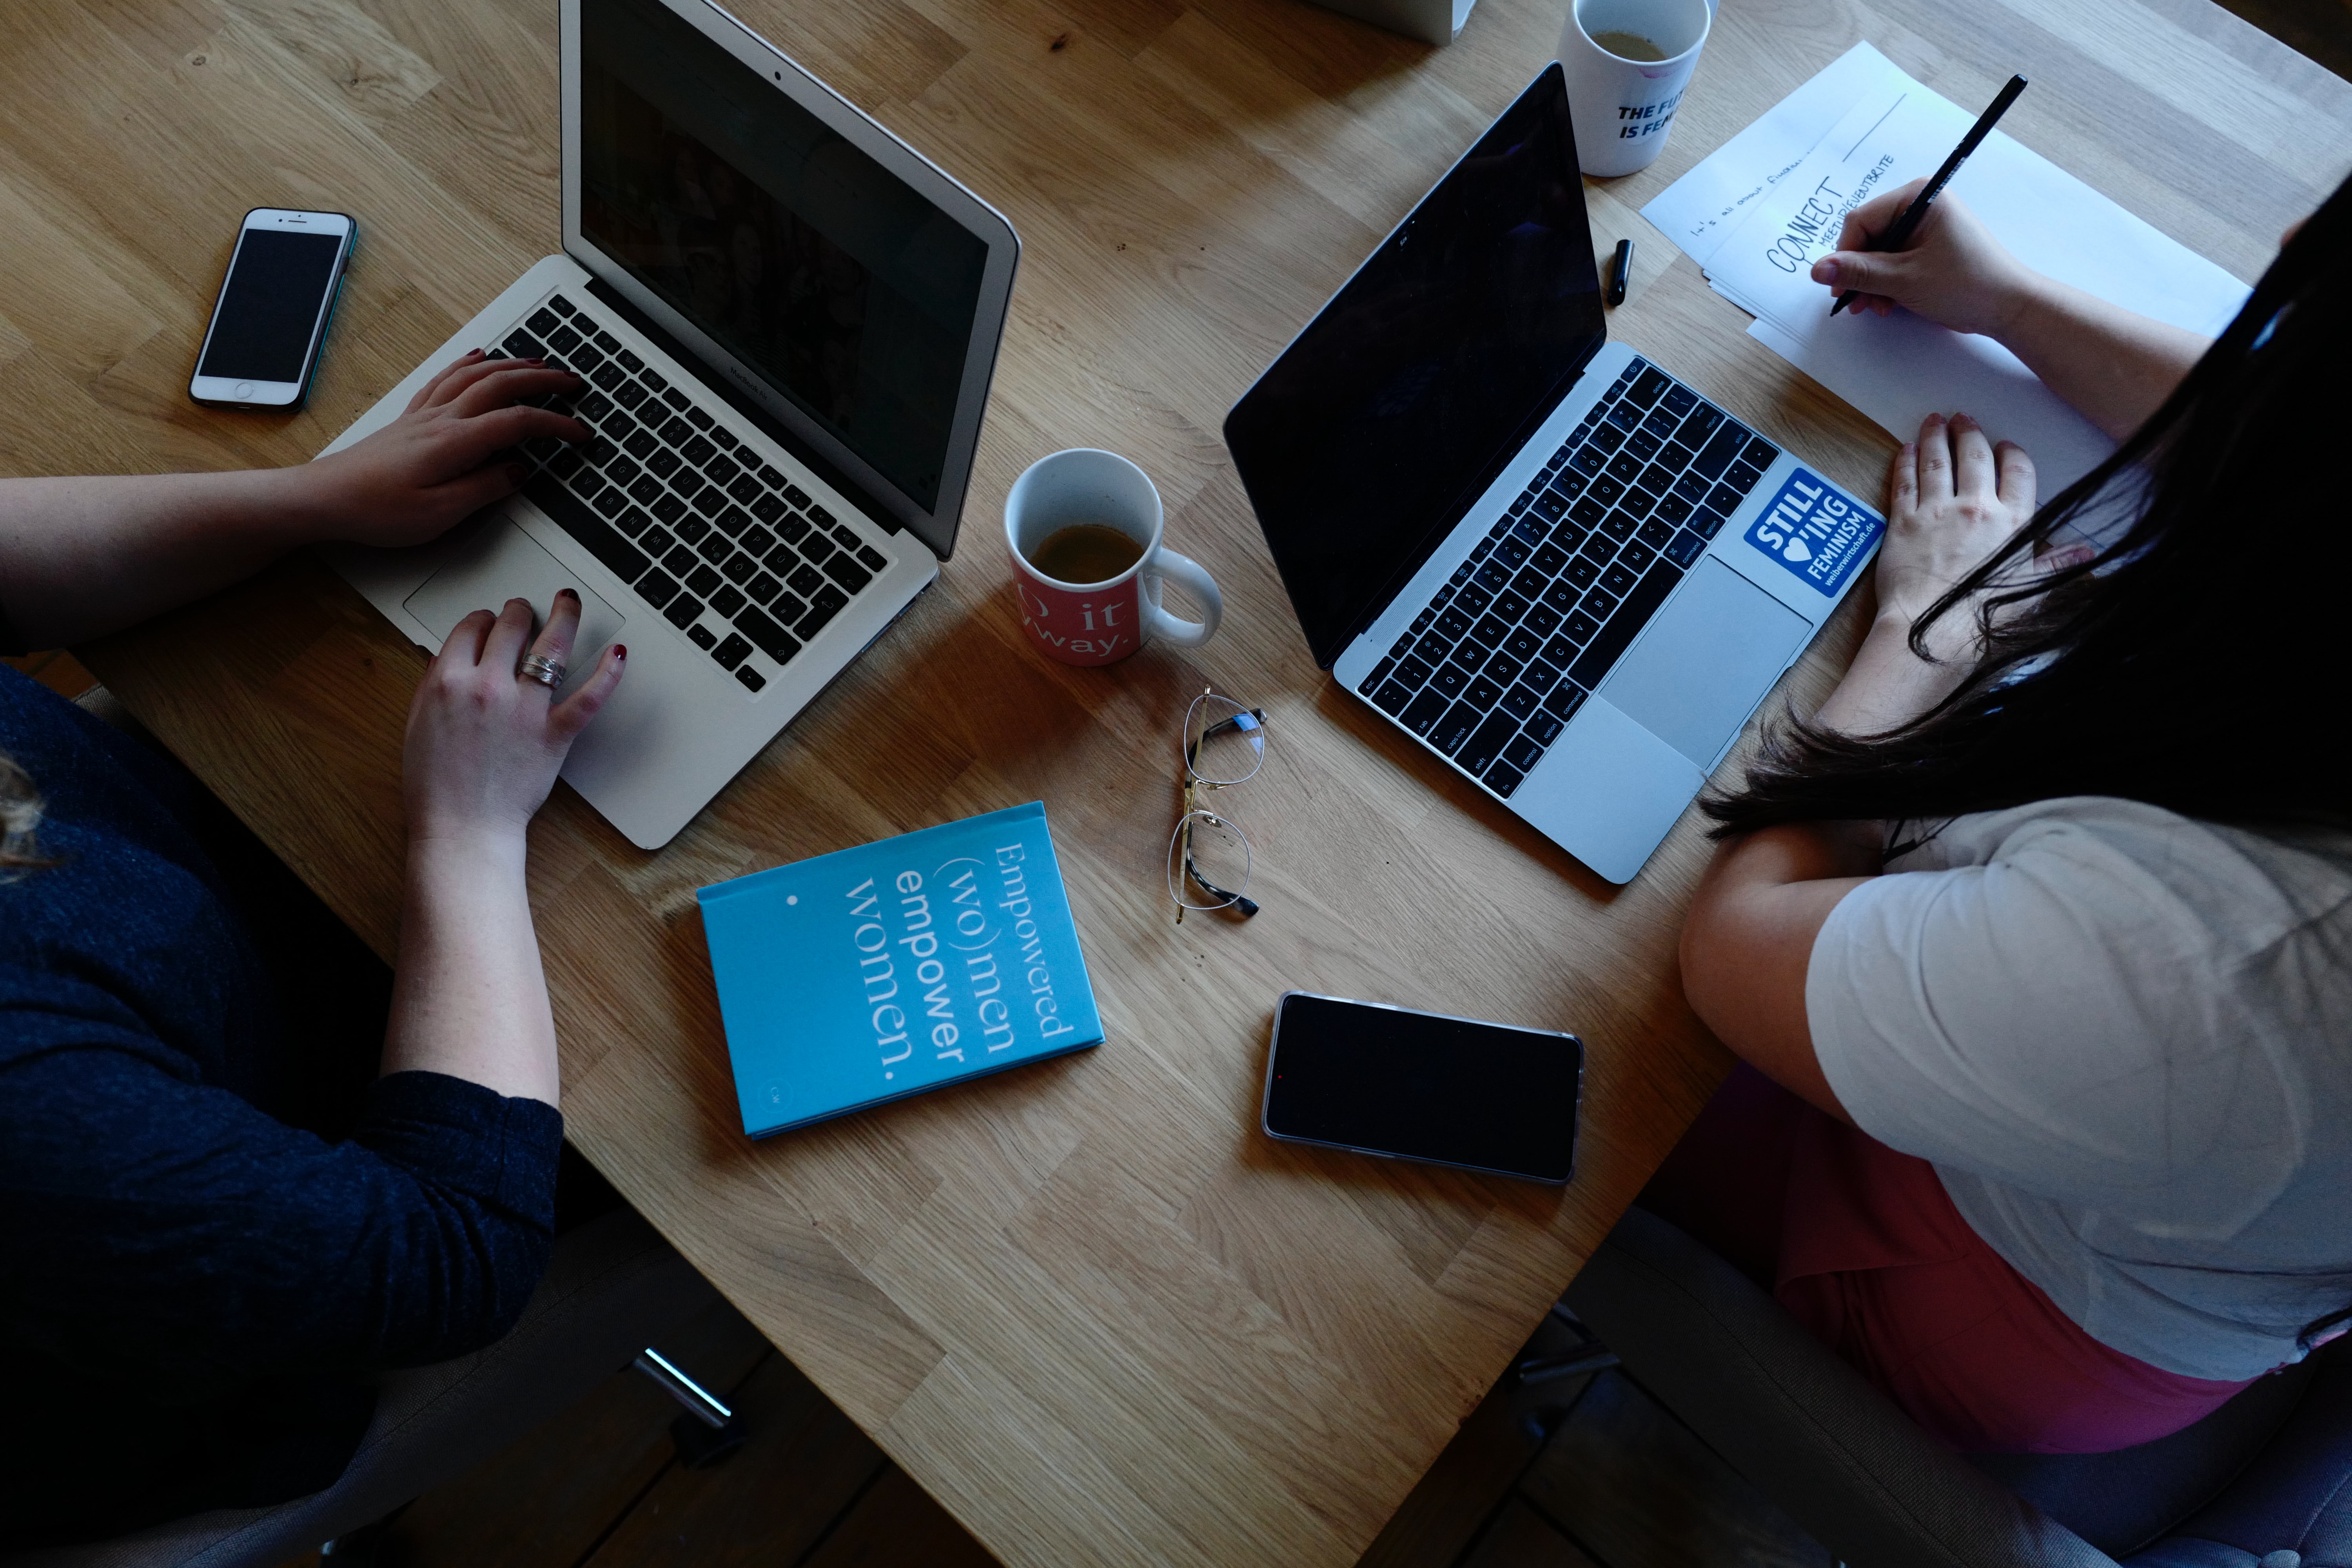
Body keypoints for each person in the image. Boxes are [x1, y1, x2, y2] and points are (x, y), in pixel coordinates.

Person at [1652, 171, 2352, 1456]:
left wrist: (1940, 624)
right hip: (2181, 1185)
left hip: (1986, 1287)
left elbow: (1732, 944)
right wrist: (2009, 304)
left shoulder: (2233, 971)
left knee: (1555, 1020)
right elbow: (2301, 452)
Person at [0, 351, 623, 1544]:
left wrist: (311, 497)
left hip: (198, 900)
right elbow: (458, 1249)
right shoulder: (38, 1126)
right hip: (290, 1243)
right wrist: (468, 833)